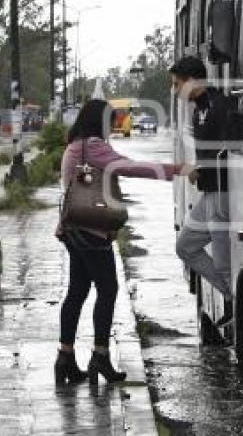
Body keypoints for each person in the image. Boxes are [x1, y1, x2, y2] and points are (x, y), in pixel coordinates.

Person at [55, 99, 183, 385]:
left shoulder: (74, 145)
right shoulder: (93, 146)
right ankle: (99, 356)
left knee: (77, 292)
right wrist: (176, 170)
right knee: (108, 290)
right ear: (99, 122)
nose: (113, 127)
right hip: (91, 231)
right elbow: (131, 167)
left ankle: (65, 358)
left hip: (72, 229)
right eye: (110, 121)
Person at [169, 56, 236, 324]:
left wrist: (200, 170)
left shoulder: (221, 106)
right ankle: (231, 297)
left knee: (223, 264)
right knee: (185, 246)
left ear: (193, 80)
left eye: (177, 84)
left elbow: (228, 150)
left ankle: (234, 309)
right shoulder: (198, 109)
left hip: (223, 192)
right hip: (208, 191)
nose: (175, 91)